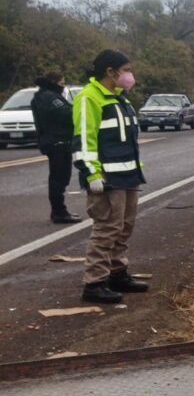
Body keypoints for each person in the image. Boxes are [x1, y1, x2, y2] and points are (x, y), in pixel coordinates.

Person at [72, 50, 149, 303]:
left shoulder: (120, 99)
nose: (129, 75)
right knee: (107, 229)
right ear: (110, 72)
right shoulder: (89, 98)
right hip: (106, 178)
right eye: (126, 70)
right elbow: (84, 139)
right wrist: (91, 172)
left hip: (128, 176)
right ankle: (94, 283)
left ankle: (117, 273)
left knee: (124, 228)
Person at [30, 72, 80, 224]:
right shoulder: (49, 97)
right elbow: (65, 114)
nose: (63, 86)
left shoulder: (44, 96)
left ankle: (59, 210)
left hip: (56, 140)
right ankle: (59, 212)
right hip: (56, 141)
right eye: (62, 83)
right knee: (59, 178)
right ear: (54, 82)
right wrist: (77, 107)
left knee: (60, 176)